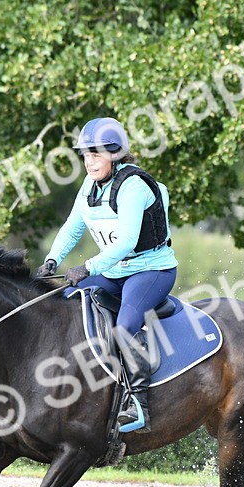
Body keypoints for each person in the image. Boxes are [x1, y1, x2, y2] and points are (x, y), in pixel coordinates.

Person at [36, 117, 176, 434]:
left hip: (151, 271)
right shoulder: (90, 186)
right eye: (86, 155)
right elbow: (72, 227)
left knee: (125, 327)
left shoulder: (134, 187)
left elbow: (127, 241)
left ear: (115, 154)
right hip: (114, 272)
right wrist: (51, 260)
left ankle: (138, 403)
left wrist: (87, 267)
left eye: (96, 155)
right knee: (66, 301)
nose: (89, 162)